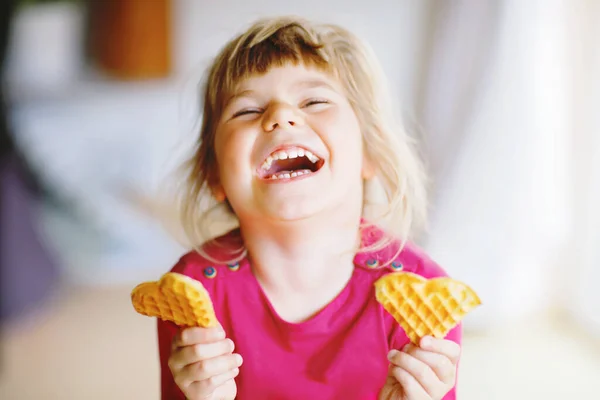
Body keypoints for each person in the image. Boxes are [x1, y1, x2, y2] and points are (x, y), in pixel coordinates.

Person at [157, 16, 461, 400]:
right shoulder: (191, 292)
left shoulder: (425, 296)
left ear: (370, 152)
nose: (280, 116)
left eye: (315, 101)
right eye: (246, 110)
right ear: (215, 175)